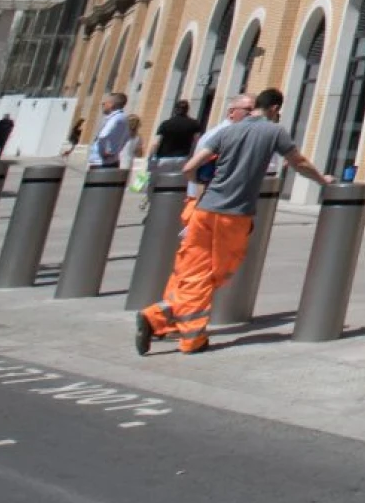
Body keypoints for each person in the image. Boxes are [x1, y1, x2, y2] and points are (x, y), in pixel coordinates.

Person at [136, 88, 332, 357]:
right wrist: (322, 180)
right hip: (234, 213)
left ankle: (160, 319)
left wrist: (202, 183)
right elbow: (298, 162)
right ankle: (181, 332)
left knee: (192, 270)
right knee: (216, 272)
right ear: (275, 108)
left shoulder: (228, 131)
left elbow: (189, 168)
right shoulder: (274, 131)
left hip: (205, 209)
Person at [151, 98, 200, 163]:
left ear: (175, 109)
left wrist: (151, 156)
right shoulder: (194, 124)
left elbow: (156, 143)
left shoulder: (165, 124)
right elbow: (196, 142)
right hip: (183, 158)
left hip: (164, 158)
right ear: (187, 110)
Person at [88, 93, 129, 169]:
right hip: (113, 161)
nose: (103, 104)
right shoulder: (124, 118)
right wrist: (116, 151)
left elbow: (103, 136)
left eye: (105, 103)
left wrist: (104, 151)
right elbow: (126, 138)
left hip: (101, 162)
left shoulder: (115, 118)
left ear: (111, 104)